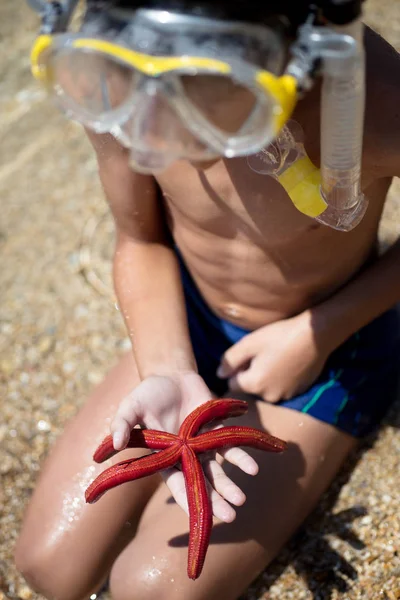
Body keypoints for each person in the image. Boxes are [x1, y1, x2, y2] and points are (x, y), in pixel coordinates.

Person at [15, 1, 400, 599]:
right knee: (48, 565)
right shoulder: (126, 72)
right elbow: (139, 239)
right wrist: (168, 368)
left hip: (331, 346)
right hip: (190, 319)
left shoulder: (368, 101)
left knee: (150, 590)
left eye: (194, 108)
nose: (148, 145)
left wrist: (318, 331)